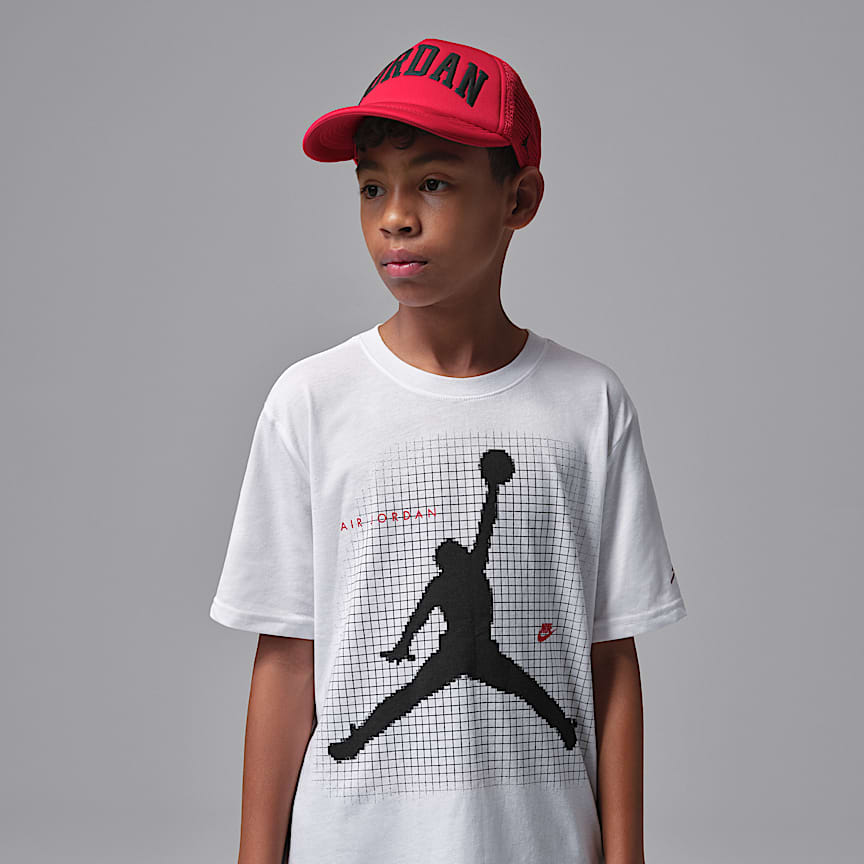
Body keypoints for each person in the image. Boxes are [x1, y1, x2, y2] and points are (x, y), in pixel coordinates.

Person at [209, 36, 688, 864]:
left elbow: (610, 660)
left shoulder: (588, 405)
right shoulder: (311, 402)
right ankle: (359, 740)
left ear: (519, 199)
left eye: (433, 182)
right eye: (372, 186)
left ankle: (527, 725)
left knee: (536, 690)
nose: (394, 215)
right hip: (352, 845)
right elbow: (287, 661)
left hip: (539, 841)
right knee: (415, 700)